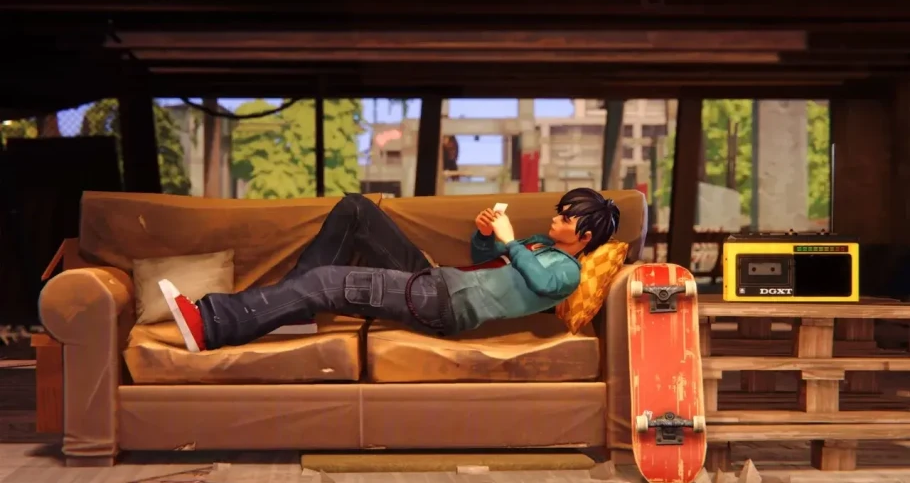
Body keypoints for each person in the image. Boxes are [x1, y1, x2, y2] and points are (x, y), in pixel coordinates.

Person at [159, 188, 621, 352]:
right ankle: (292, 310)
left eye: (566, 217)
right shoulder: (540, 243)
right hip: (439, 279)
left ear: (584, 237)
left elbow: (538, 282)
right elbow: (487, 261)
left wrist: (509, 240)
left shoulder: (566, 273)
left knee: (324, 282)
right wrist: (486, 235)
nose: (557, 217)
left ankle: (211, 325)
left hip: (444, 305)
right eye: (561, 211)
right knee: (357, 209)